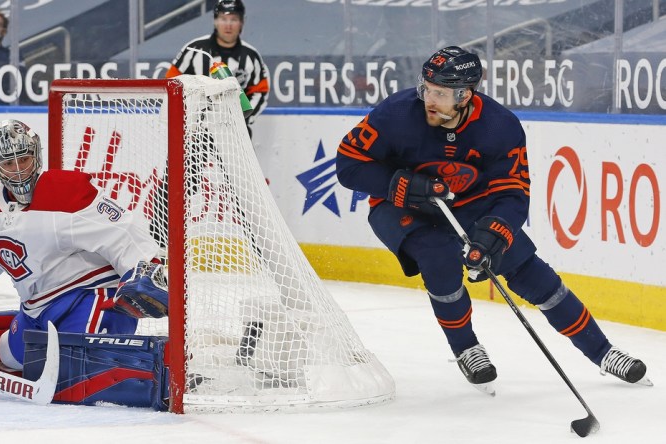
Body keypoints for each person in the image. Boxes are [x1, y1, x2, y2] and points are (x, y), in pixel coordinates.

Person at [336, 46, 651, 393]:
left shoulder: (499, 126)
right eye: (426, 88)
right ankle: (467, 348)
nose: (429, 98)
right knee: (438, 257)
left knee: (528, 270)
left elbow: (513, 192)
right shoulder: (395, 114)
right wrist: (399, 184)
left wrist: (491, 234)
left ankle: (603, 352)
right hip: (400, 206)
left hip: (472, 204)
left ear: (465, 95)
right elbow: (348, 165)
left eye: (440, 93)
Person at [0, 119, 170, 406]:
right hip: (35, 310)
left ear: (37, 155)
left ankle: (155, 366)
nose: (18, 170)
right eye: (8, 163)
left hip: (92, 296)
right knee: (6, 354)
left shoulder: (67, 191)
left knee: (75, 370)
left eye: (24, 159)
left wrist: (145, 268)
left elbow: (122, 229)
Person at [166, 0, 269, 137]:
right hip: (194, 133)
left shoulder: (251, 56)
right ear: (215, 21)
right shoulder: (194, 49)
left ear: (242, 22)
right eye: (223, 19)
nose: (228, 25)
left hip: (236, 135)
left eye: (234, 19)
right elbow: (171, 82)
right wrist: (188, 117)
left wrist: (242, 118)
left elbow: (260, 91)